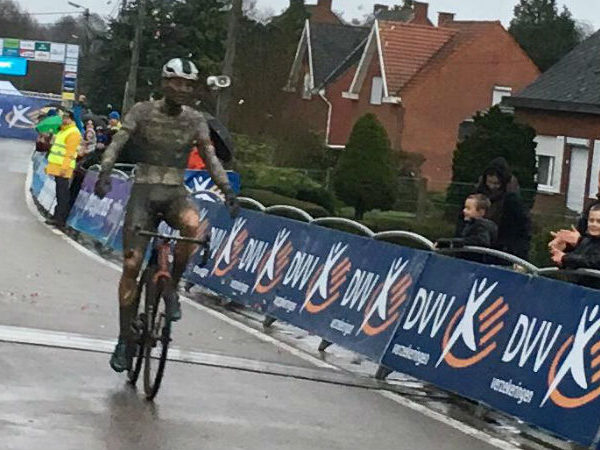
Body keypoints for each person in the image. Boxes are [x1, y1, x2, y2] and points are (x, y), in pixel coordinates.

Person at [94, 58, 239, 373]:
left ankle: (172, 284)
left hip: (175, 193)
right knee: (131, 264)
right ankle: (124, 339)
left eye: (188, 85)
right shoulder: (142, 111)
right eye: (176, 83)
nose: (182, 89)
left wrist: (227, 189)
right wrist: (105, 171)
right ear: (164, 83)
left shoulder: (196, 119)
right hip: (144, 193)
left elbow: (210, 157)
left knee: (192, 224)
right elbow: (118, 142)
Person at [461, 157, 531, 259]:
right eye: (489, 182)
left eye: (496, 184)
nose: (492, 187)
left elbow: (522, 230)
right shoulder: (476, 195)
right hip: (475, 250)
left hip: (502, 251)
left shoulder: (511, 201)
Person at [45, 110, 82, 229]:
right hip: (57, 166)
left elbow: (69, 153)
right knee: (59, 193)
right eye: (63, 117)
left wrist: (64, 168)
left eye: (66, 118)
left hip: (64, 168)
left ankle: (60, 219)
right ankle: (57, 216)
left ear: (71, 119)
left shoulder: (73, 132)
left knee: (63, 194)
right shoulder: (62, 130)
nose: (64, 119)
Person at [552, 204, 600, 271]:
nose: (594, 224)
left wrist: (565, 258)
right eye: (591, 220)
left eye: (599, 221)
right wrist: (562, 250)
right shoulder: (586, 241)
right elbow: (575, 264)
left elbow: (594, 262)